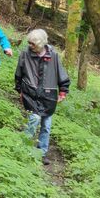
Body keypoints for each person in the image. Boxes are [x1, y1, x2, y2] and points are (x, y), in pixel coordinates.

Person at [13, 28, 69, 164]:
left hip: (48, 94)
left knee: (46, 125)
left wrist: (63, 90)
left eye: (33, 44)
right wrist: (19, 89)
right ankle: (24, 148)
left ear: (41, 43)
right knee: (34, 119)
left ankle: (42, 153)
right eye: (29, 43)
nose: (30, 46)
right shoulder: (25, 54)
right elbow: (19, 72)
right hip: (30, 93)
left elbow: (61, 73)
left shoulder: (53, 55)